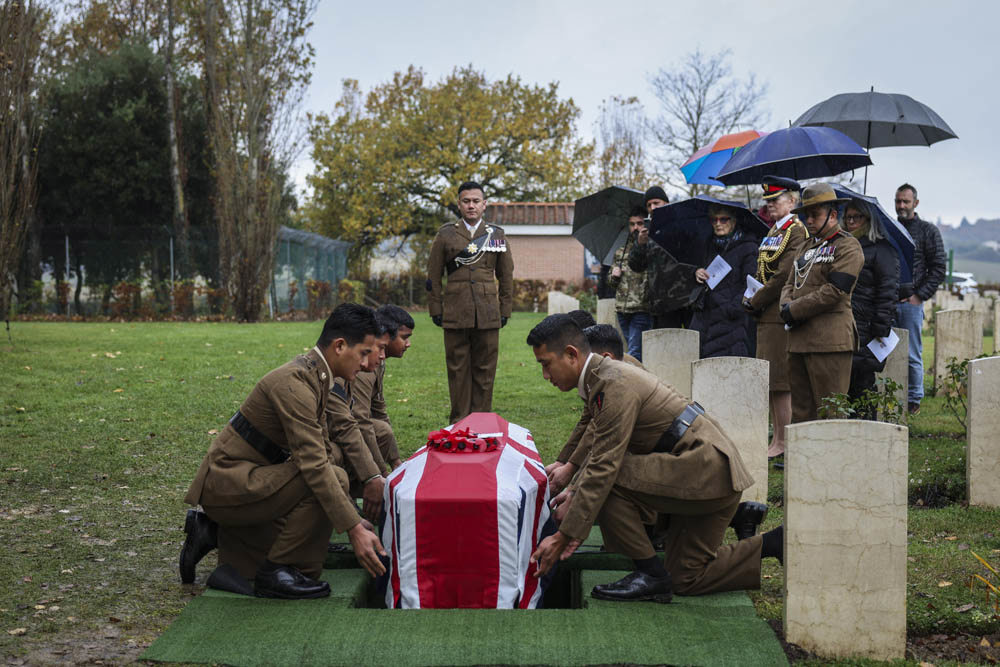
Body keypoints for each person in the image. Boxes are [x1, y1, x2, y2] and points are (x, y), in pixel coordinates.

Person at [528, 315, 781, 602]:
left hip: (704, 471)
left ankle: (648, 572)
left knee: (608, 480)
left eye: (546, 364)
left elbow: (604, 466)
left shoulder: (613, 384)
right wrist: (571, 477)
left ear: (572, 355)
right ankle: (773, 544)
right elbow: (596, 436)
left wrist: (565, 535)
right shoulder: (604, 376)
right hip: (703, 473)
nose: (545, 376)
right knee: (686, 578)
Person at [179, 304, 387, 598]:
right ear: (339, 346)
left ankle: (215, 533)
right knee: (331, 477)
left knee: (331, 469)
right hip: (229, 483)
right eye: (364, 353)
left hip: (252, 478)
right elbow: (314, 465)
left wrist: (350, 515)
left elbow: (324, 452)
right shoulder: (295, 382)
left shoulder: (316, 377)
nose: (367, 364)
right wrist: (352, 526)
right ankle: (277, 570)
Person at [426, 181, 514, 423]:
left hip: (487, 313)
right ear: (459, 204)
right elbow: (433, 275)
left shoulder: (496, 235)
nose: (471, 205)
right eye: (466, 201)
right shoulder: (445, 234)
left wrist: (505, 308)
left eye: (476, 201)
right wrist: (436, 307)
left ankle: (481, 421)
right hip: (455, 312)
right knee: (457, 370)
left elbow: (506, 276)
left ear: (484, 205)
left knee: (485, 371)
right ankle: (459, 422)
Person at [779, 184, 864, 424]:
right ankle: (800, 461)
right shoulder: (805, 246)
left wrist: (793, 310)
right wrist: (784, 304)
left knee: (830, 413)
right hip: (799, 341)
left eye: (815, 214)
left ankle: (830, 463)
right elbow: (790, 282)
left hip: (830, 342)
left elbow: (835, 290)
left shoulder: (848, 246)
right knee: (801, 413)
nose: (808, 220)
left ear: (833, 215)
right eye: (806, 215)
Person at [744, 176, 808, 460]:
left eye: (776, 200)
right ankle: (778, 436)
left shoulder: (796, 231)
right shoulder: (774, 230)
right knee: (771, 381)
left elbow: (784, 273)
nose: (770, 205)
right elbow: (764, 269)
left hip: (777, 311)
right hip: (765, 313)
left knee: (781, 381)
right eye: (768, 201)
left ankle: (784, 440)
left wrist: (757, 299)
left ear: (792, 202)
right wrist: (751, 296)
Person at [327, 314, 394, 522]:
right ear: (340, 346)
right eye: (366, 352)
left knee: (378, 433)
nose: (379, 357)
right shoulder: (330, 378)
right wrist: (376, 477)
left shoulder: (346, 373)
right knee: (333, 458)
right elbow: (352, 426)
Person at [842, 200, 900, 416]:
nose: (850, 222)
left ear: (869, 220)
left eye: (856, 217)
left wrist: (879, 330)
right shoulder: (845, 247)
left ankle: (866, 429)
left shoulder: (882, 250)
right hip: (844, 322)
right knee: (844, 384)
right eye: (847, 217)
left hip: (866, 328)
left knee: (863, 384)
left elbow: (887, 292)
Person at [894, 183, 946, 415]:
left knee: (912, 353)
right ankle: (890, 393)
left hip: (911, 303)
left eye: (906, 201)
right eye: (898, 201)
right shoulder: (889, 228)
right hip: (888, 301)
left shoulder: (928, 231)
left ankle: (914, 397)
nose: (901, 205)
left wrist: (919, 296)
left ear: (915, 203)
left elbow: (938, 268)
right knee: (887, 351)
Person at [690, 204, 759, 358]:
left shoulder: (748, 247)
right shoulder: (708, 245)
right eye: (714, 220)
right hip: (705, 318)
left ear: (734, 222)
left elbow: (750, 284)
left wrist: (731, 309)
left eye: (723, 219)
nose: (718, 224)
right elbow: (700, 272)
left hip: (732, 322)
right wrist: (697, 272)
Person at [629, 186, 699, 329]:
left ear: (666, 203)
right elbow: (636, 266)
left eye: (656, 203)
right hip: (661, 303)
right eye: (649, 205)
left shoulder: (682, 223)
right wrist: (640, 244)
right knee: (665, 346)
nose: (652, 207)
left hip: (686, 297)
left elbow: (696, 255)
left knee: (692, 344)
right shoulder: (646, 233)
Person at [606, 206, 652, 361]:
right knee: (634, 350)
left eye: (639, 223)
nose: (636, 227)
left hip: (641, 308)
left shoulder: (651, 248)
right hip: (622, 310)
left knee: (634, 352)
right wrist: (614, 276)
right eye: (632, 224)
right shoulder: (620, 251)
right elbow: (611, 283)